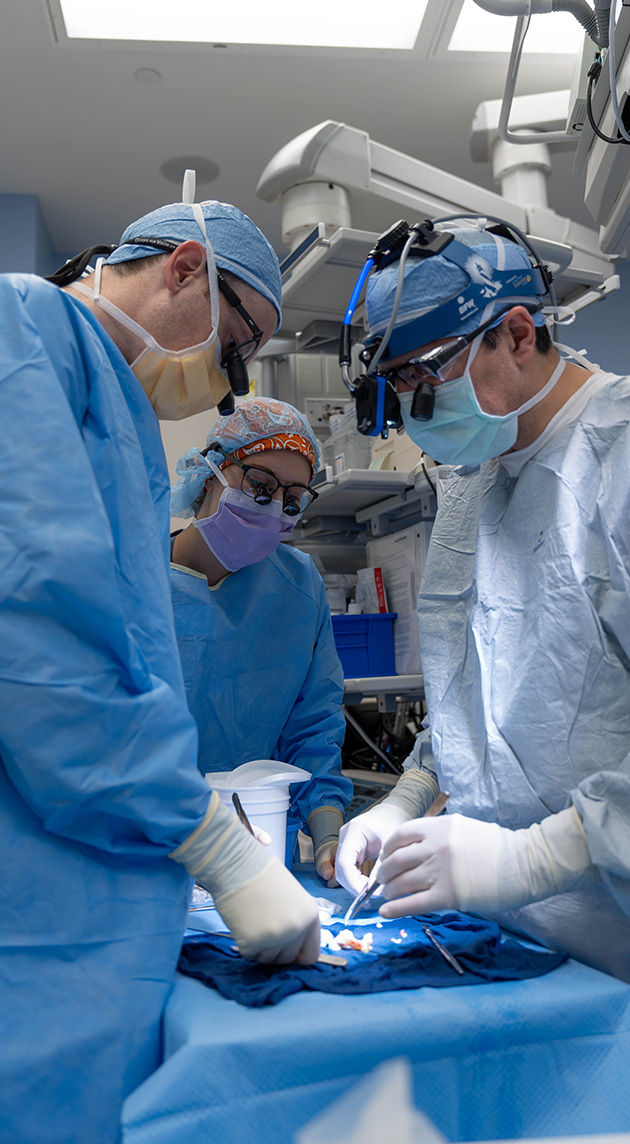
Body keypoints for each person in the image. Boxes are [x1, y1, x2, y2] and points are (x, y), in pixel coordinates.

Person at [0, 199, 321, 1144]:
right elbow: (39, 640)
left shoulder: (117, 417)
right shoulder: (24, 331)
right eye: (237, 345)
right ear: (184, 268)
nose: (230, 382)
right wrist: (213, 843)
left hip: (86, 899)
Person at [335, 219, 630, 982]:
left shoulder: (619, 458)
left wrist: (534, 857)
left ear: (519, 334)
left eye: (428, 375)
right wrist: (405, 800)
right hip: (505, 938)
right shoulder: (471, 483)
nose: (416, 411)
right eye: (399, 386)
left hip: (613, 941)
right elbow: (476, 699)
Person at [170, 396, 352, 882]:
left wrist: (329, 834)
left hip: (259, 848)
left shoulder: (298, 587)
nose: (273, 508)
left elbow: (314, 726)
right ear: (210, 473)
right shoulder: (130, 580)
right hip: (144, 850)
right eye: (260, 486)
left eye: (292, 499)